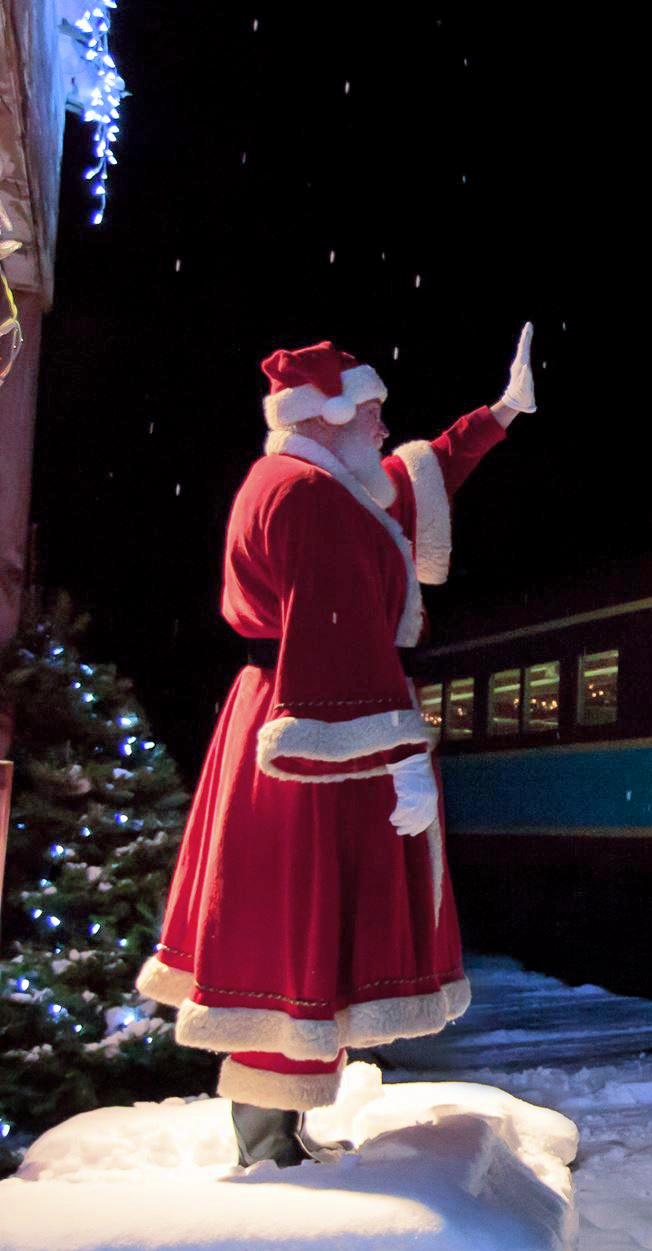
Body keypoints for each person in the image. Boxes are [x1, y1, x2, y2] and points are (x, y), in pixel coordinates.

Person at [136, 326, 537, 1167]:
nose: (387, 430)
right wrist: (396, 756)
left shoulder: (309, 479)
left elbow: (409, 481)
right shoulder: (309, 500)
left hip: (279, 716)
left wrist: (496, 415)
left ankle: (277, 1130)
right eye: (375, 413)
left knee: (290, 922)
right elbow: (341, 637)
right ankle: (268, 1144)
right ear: (326, 415)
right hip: (311, 729)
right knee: (295, 922)